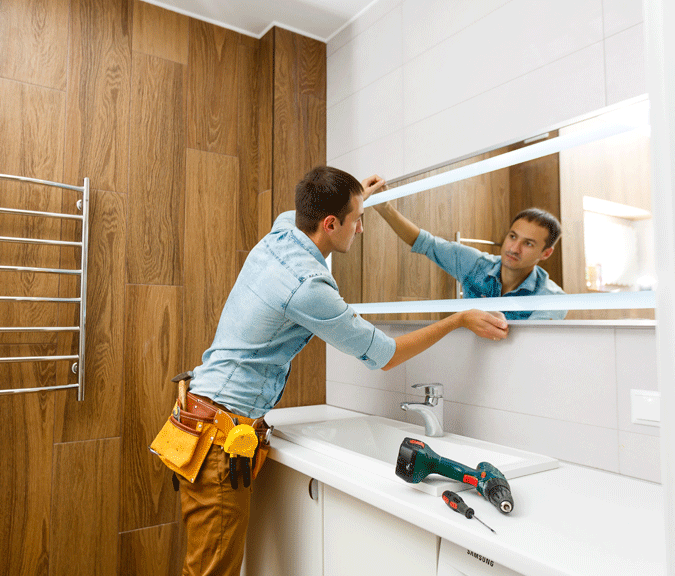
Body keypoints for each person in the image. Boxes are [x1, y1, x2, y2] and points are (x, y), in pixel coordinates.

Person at [154, 166, 508, 576]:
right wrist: (458, 319)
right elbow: (385, 354)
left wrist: (358, 196)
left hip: (201, 416)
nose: (360, 229)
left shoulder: (284, 232)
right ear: (330, 223)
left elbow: (316, 207)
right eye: (356, 220)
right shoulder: (307, 288)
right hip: (219, 436)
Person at [371, 199, 566, 322]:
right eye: (513, 236)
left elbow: (530, 350)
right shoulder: (475, 265)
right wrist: (385, 208)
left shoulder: (551, 299)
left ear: (546, 253)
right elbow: (426, 243)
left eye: (528, 244)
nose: (514, 248)